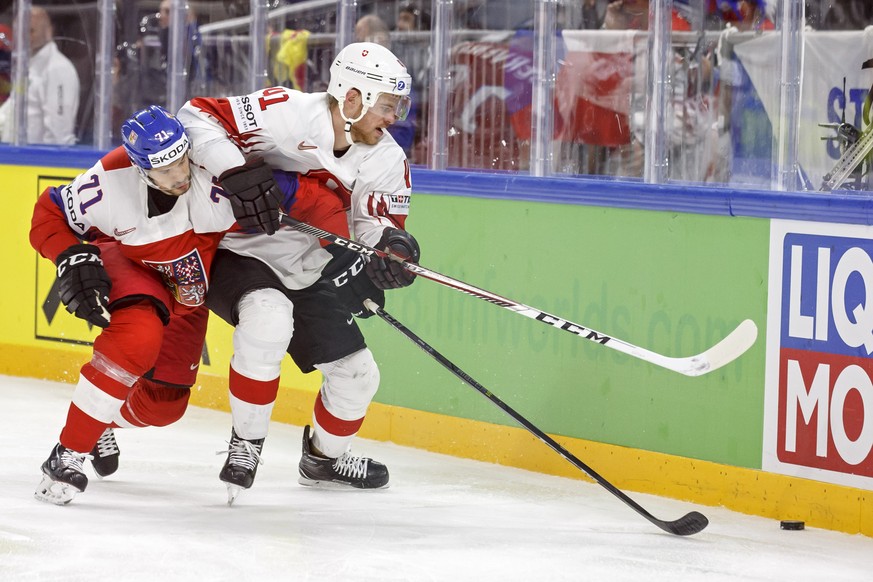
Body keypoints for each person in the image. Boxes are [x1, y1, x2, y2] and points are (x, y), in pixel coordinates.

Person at [177, 41, 420, 501]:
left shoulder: (387, 158)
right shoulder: (285, 111)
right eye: (388, 106)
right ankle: (246, 444)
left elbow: (375, 224)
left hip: (308, 263)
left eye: (398, 107)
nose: (395, 118)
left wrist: (390, 250)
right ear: (353, 98)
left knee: (358, 375)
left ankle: (323, 460)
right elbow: (194, 117)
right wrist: (235, 169)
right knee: (268, 319)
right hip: (238, 248)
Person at [28, 105, 306, 505]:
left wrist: (351, 235)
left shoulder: (213, 172)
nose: (179, 175)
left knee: (165, 408)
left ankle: (101, 420)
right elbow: (49, 213)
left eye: (180, 160)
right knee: (137, 337)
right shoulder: (109, 180)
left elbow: (302, 195)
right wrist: (70, 254)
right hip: (133, 267)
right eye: (164, 169)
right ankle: (68, 452)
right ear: (141, 169)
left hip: (187, 292)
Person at [0, 6, 80, 144]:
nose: (23, 37)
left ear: (48, 31)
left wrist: (45, 161)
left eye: (31, 31)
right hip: (15, 157)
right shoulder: (27, 66)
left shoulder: (57, 68)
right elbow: (10, 111)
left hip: (38, 161)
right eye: (19, 31)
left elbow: (59, 134)